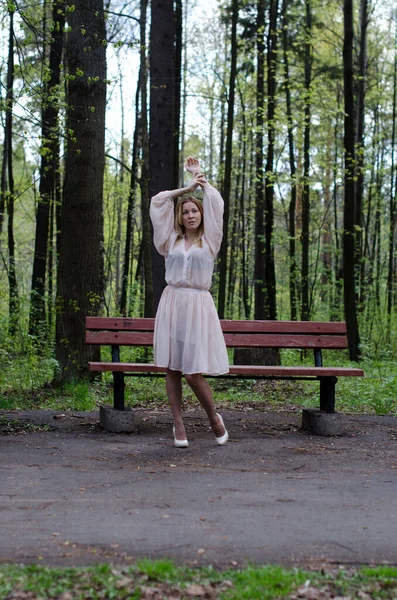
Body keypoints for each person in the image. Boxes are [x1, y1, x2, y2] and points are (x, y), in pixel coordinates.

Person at [150, 157, 229, 448]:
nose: (191, 215)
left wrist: (200, 179)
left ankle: (213, 417)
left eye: (194, 210)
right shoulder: (169, 240)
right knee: (172, 367)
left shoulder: (210, 241)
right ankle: (178, 423)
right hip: (172, 303)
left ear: (201, 214)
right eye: (186, 211)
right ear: (180, 216)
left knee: (193, 372)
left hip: (198, 305)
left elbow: (216, 204)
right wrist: (184, 189)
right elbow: (158, 202)